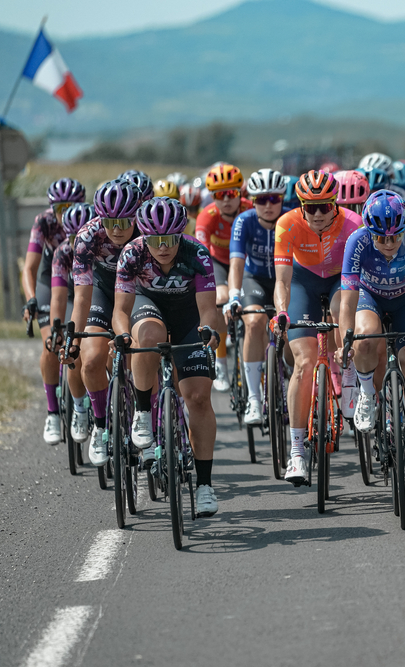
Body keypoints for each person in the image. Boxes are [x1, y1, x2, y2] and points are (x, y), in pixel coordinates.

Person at [111, 197, 221, 516]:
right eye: (155, 241)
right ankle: (143, 411)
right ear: (144, 237)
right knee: (147, 336)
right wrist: (122, 335)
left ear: (180, 235)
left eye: (169, 240)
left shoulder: (197, 252)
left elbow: (207, 311)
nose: (163, 247)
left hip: (188, 316)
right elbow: (120, 310)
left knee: (199, 398)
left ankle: (204, 486)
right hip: (149, 308)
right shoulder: (132, 254)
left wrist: (207, 332)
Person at [340, 190, 405, 492]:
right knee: (366, 338)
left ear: (404, 230)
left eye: (394, 237)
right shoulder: (356, 242)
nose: (388, 244)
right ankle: (368, 394)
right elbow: (347, 302)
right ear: (369, 231)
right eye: (381, 238)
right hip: (370, 297)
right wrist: (346, 340)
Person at [273, 171, 362, 484]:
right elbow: (282, 280)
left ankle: (348, 372)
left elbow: (357, 281)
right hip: (303, 283)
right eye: (311, 207)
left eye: (326, 206)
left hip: (341, 281)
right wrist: (282, 312)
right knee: (304, 363)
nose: (320, 214)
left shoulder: (353, 223)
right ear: (301, 205)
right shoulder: (287, 224)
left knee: (340, 308)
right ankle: (297, 452)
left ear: (335, 203)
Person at [68, 180, 142, 466]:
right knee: (91, 360)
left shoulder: (148, 233)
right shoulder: (88, 237)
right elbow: (81, 299)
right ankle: (100, 426)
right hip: (102, 292)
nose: (118, 228)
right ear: (100, 217)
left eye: (125, 220)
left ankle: (153, 417)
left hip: (140, 291)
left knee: (147, 349)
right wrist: (74, 341)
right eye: (110, 221)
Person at [22, 178, 86, 444]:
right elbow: (29, 268)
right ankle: (52, 412)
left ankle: (83, 403)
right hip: (52, 277)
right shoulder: (44, 222)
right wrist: (31, 299)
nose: (65, 213)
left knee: (78, 342)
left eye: (70, 206)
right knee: (53, 343)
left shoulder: (90, 219)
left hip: (82, 280)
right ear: (52, 208)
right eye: (60, 207)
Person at [226, 168, 287, 425]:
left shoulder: (292, 219)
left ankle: (288, 384)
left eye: (274, 198)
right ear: (252, 201)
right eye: (262, 199)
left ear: (283, 199)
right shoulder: (244, 221)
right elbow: (236, 263)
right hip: (255, 280)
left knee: (293, 331)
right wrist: (233, 296)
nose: (269, 205)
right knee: (253, 322)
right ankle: (253, 398)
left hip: (286, 280)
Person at [195, 164, 252, 392]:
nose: (226, 200)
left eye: (232, 193)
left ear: (240, 193)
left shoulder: (250, 209)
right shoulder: (206, 216)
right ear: (212, 197)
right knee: (220, 298)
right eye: (220, 195)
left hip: (245, 261)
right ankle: (221, 362)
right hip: (217, 261)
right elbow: (202, 254)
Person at [48, 202, 94, 444]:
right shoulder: (63, 252)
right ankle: (79, 408)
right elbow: (57, 296)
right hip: (71, 296)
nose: (81, 240)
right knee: (72, 351)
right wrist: (57, 328)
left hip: (98, 296)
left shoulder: (103, 247)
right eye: (75, 236)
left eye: (84, 234)